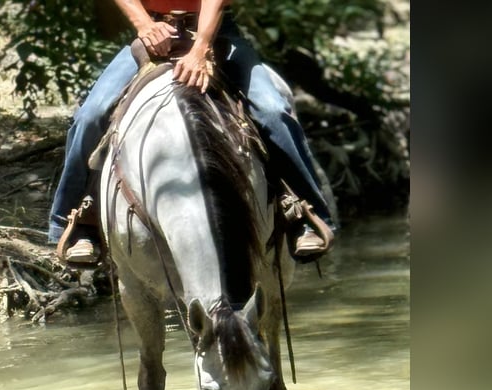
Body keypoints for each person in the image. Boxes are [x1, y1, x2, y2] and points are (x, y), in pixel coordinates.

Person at [49, 0, 336, 263]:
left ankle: (304, 213)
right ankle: (77, 220)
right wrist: (145, 26)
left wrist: (201, 47)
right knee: (91, 115)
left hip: (218, 33)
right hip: (154, 30)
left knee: (273, 111)